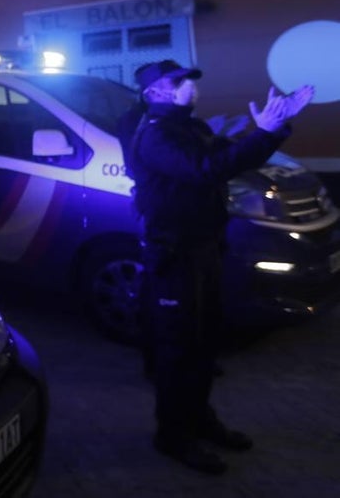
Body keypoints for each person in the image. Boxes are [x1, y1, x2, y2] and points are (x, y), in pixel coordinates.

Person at [124, 59, 313, 475]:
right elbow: (206, 170)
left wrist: (272, 129)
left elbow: (228, 158)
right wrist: (264, 132)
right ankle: (173, 436)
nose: (191, 85)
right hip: (174, 254)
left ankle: (200, 421)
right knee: (179, 349)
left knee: (205, 342)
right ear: (154, 92)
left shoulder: (190, 127)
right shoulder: (156, 135)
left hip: (204, 248)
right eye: (180, 80)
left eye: (192, 78)